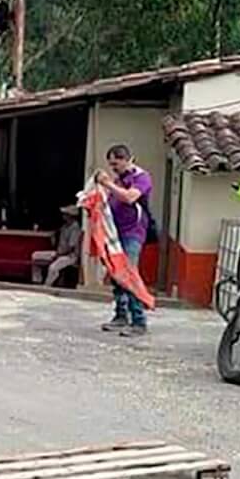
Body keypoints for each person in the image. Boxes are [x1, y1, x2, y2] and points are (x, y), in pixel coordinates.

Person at [93, 143, 154, 336]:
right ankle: (121, 315)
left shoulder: (141, 178)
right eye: (111, 165)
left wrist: (107, 183)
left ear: (127, 159)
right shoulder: (120, 179)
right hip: (115, 233)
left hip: (132, 232)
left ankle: (139, 321)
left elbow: (129, 198)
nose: (113, 168)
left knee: (128, 273)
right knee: (116, 273)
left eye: (116, 164)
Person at [31, 204, 84, 287]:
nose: (63, 216)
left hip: (70, 256)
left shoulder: (75, 228)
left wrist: (58, 255)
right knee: (35, 256)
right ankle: (37, 281)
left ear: (70, 216)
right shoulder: (65, 226)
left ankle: (47, 286)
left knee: (53, 268)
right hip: (59, 253)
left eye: (65, 214)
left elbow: (71, 247)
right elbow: (57, 233)